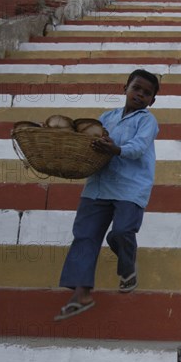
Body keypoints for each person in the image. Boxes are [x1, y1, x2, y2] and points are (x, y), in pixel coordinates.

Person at [54, 69, 160, 321]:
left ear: (152, 101)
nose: (140, 95)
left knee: (122, 232)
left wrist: (116, 148)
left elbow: (138, 148)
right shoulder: (106, 118)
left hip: (130, 187)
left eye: (147, 93)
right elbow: (89, 144)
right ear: (125, 88)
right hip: (97, 186)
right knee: (85, 237)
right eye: (136, 88)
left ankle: (127, 268)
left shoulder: (147, 120)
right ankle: (81, 293)